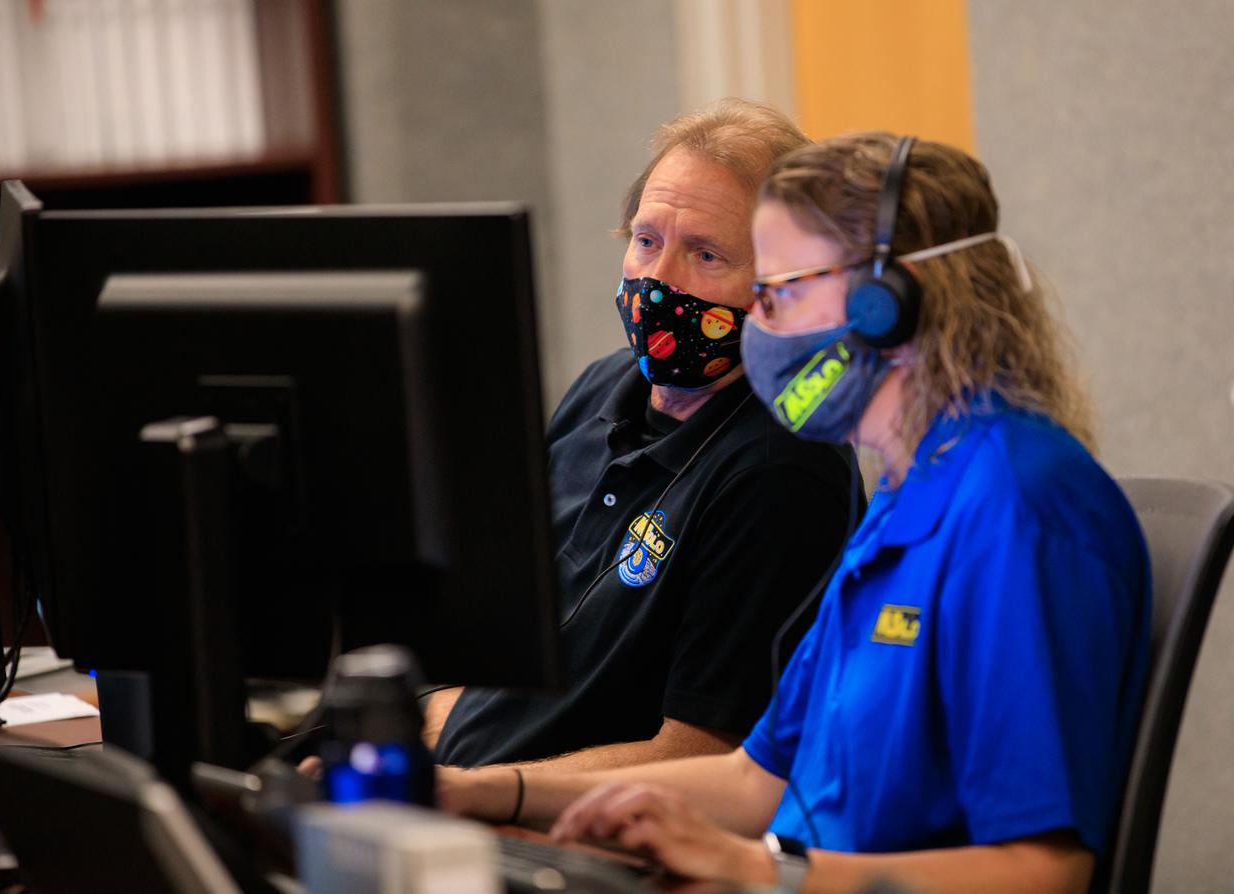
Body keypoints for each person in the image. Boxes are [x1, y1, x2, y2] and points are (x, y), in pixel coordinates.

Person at [442, 133, 1151, 893]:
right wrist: (489, 792)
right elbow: (756, 782)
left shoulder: (1018, 507)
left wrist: (758, 870)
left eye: (779, 294)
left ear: (886, 307)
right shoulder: (903, 497)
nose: (757, 326)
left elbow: (1046, 874)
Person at [430, 99, 860, 770]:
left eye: (707, 255)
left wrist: (483, 793)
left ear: (782, 287)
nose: (657, 281)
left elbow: (701, 754)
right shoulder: (602, 387)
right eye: (647, 239)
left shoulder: (780, 469)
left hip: (576, 836)